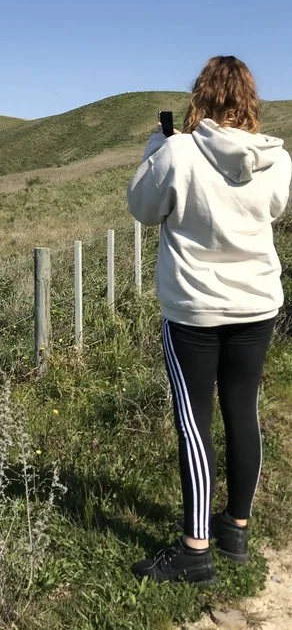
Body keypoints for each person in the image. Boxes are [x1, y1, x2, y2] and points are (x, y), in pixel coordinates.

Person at [127, 55, 292, 584]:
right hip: (257, 304)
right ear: (249, 99)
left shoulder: (177, 152)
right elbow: (275, 210)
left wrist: (155, 147)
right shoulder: (276, 158)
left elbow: (142, 208)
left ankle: (195, 551)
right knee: (243, 411)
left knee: (194, 423)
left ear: (201, 95)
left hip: (193, 309)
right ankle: (235, 530)